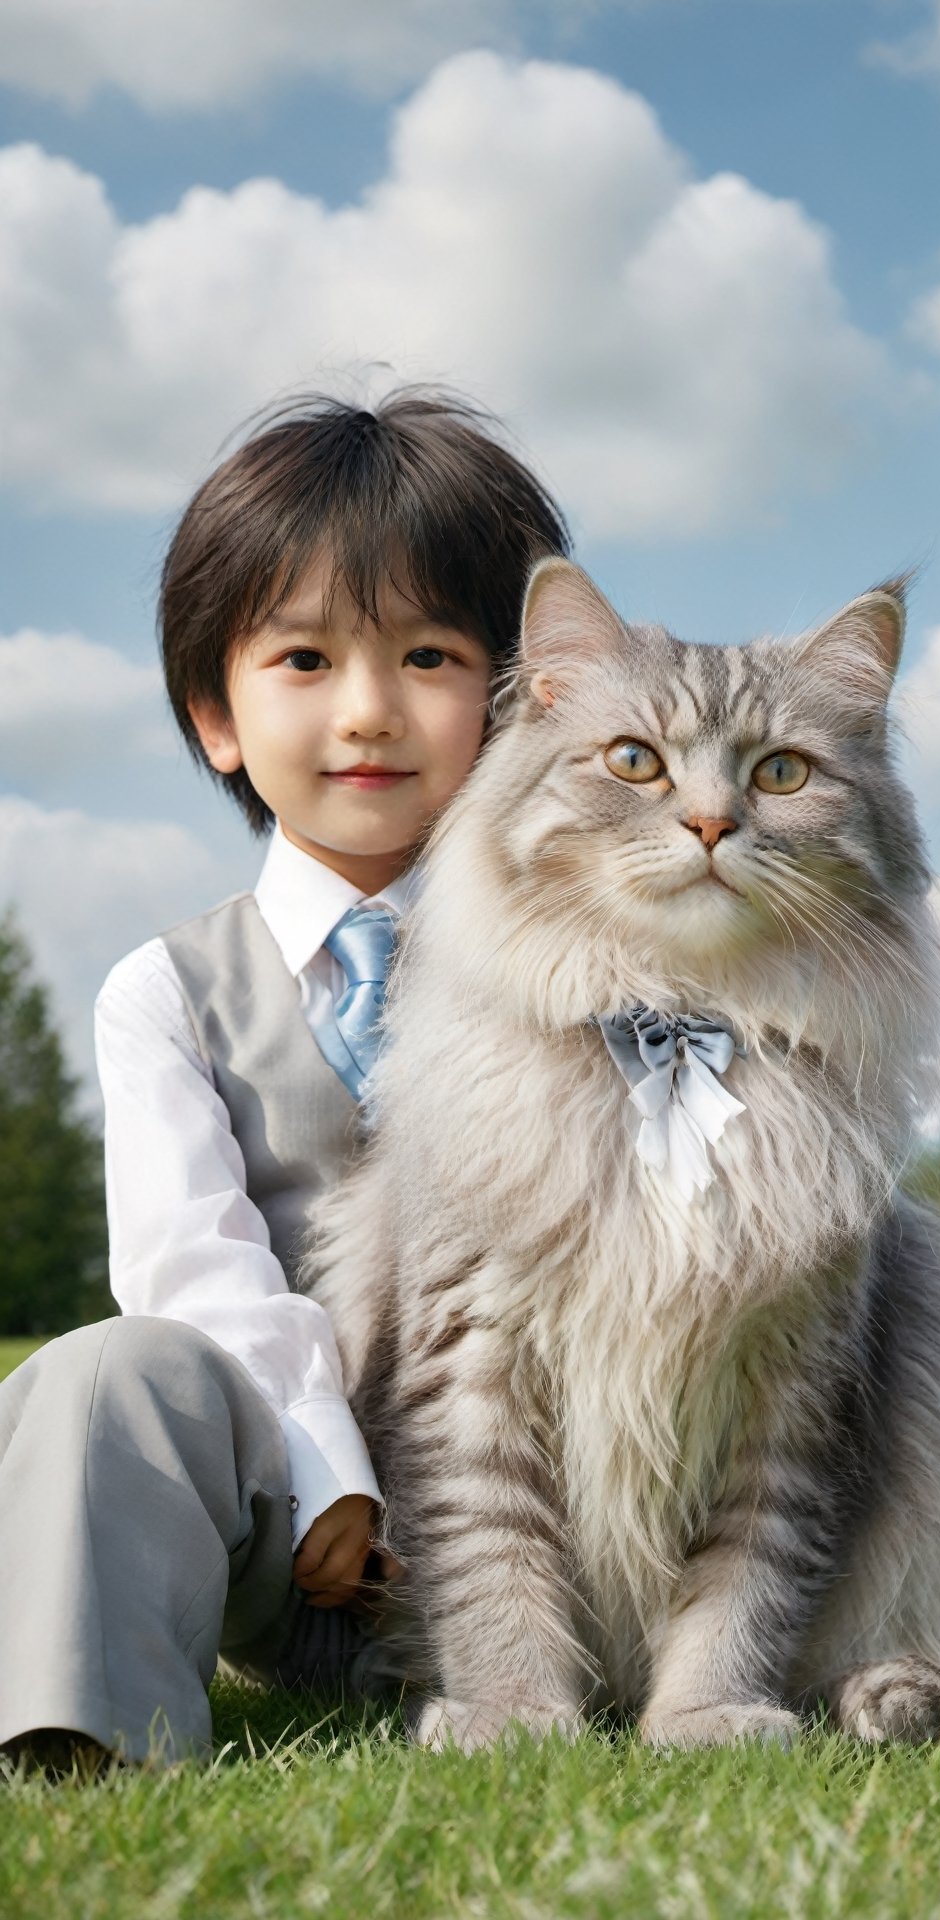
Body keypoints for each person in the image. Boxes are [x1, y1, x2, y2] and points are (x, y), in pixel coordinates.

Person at [0, 391, 570, 1770]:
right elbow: (193, 1265)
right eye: (306, 660)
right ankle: (81, 1735)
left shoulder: (583, 964)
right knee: (104, 1373)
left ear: (520, 702)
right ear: (216, 715)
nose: (368, 711)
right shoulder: (169, 993)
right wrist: (325, 1468)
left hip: (563, 1522)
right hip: (295, 1539)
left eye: (430, 655)